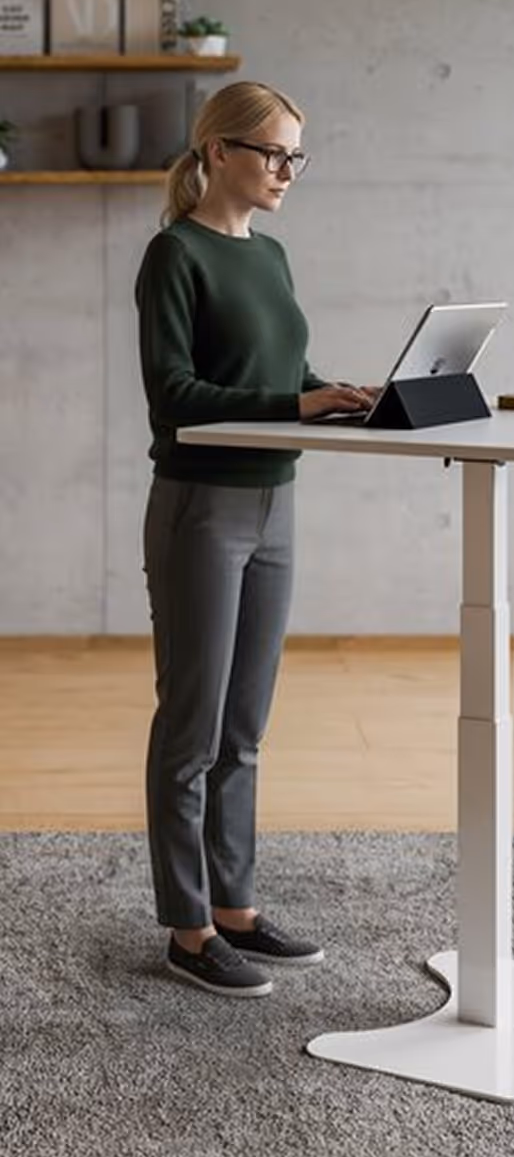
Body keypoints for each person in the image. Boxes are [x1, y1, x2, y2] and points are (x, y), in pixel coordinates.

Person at [135, 80, 374, 998]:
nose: (286, 171)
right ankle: (187, 929)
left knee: (245, 728)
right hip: (202, 506)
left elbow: (284, 372)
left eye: (295, 156)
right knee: (191, 726)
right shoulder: (174, 254)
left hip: (277, 501)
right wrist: (297, 404)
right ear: (219, 152)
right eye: (273, 153)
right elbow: (175, 396)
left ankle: (235, 906)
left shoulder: (270, 256)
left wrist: (336, 395)